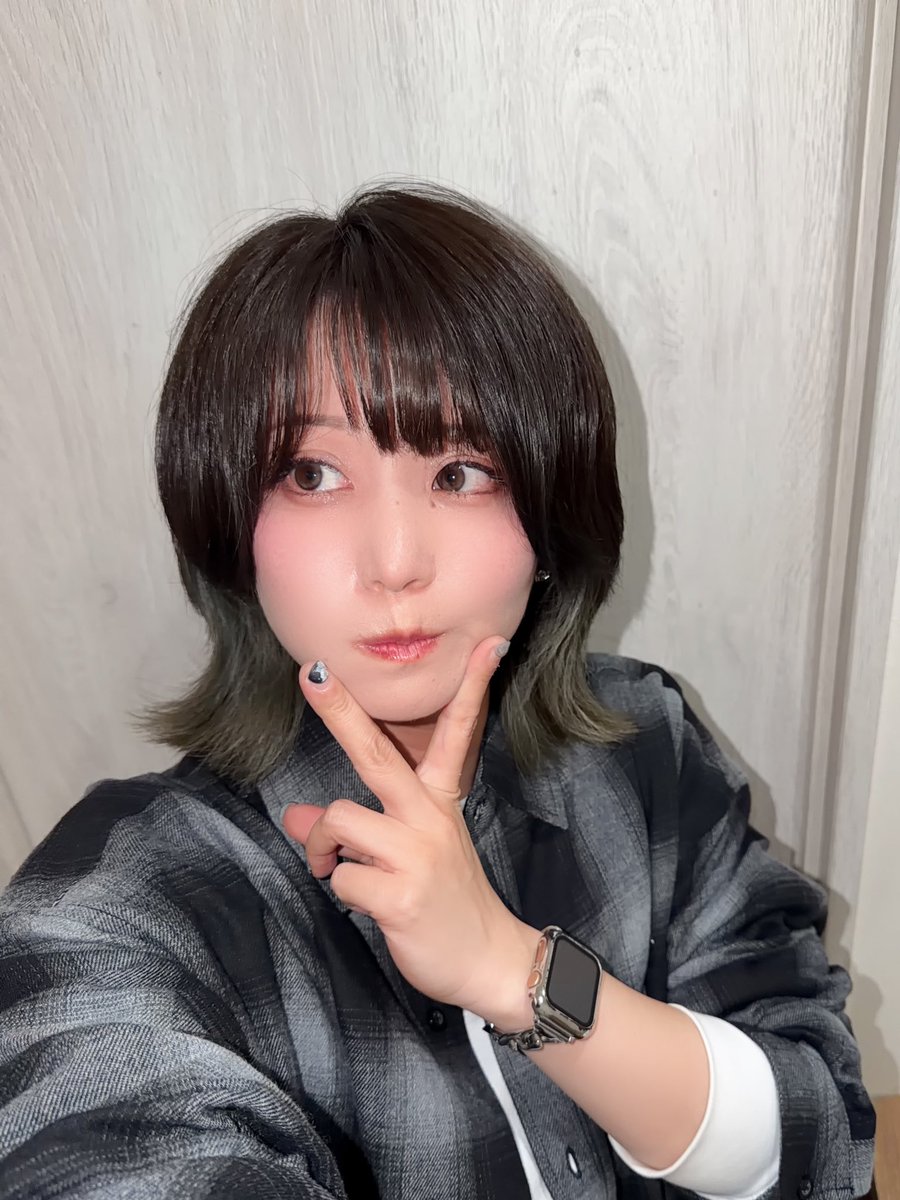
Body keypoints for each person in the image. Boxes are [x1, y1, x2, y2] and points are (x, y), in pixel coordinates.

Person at [0, 183, 875, 1200]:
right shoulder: (133, 895)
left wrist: (516, 970)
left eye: (460, 473)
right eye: (311, 474)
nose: (395, 561)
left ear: (550, 515)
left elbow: (819, 1132)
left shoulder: (646, 746)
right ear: (231, 525)